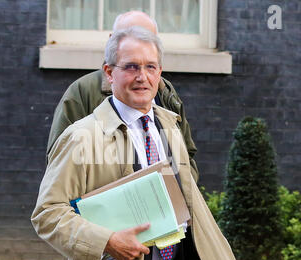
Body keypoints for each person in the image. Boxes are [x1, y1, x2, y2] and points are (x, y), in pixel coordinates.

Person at [31, 26, 243, 260]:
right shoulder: (81, 137)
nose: (142, 77)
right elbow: (47, 214)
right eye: (131, 67)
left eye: (150, 67)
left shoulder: (169, 125)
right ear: (109, 73)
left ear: (160, 72)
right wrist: (106, 242)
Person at [46, 11, 200, 183]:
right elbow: (61, 161)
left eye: (147, 39)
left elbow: (186, 153)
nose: (142, 76)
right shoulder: (82, 92)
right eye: (129, 36)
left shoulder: (165, 90)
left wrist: (183, 191)